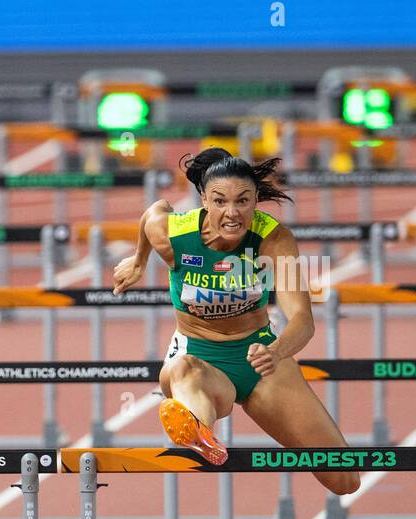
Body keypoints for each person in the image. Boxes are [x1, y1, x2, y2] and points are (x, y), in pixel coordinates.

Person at [113, 147, 359, 496]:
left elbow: (303, 319)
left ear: (256, 200)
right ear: (204, 201)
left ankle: (197, 423)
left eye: (243, 201)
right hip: (198, 356)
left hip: (259, 357)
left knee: (344, 478)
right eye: (220, 201)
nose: (232, 213)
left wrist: (276, 352)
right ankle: (198, 430)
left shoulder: (274, 239)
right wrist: (138, 260)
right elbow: (153, 213)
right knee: (185, 371)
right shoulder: (174, 234)